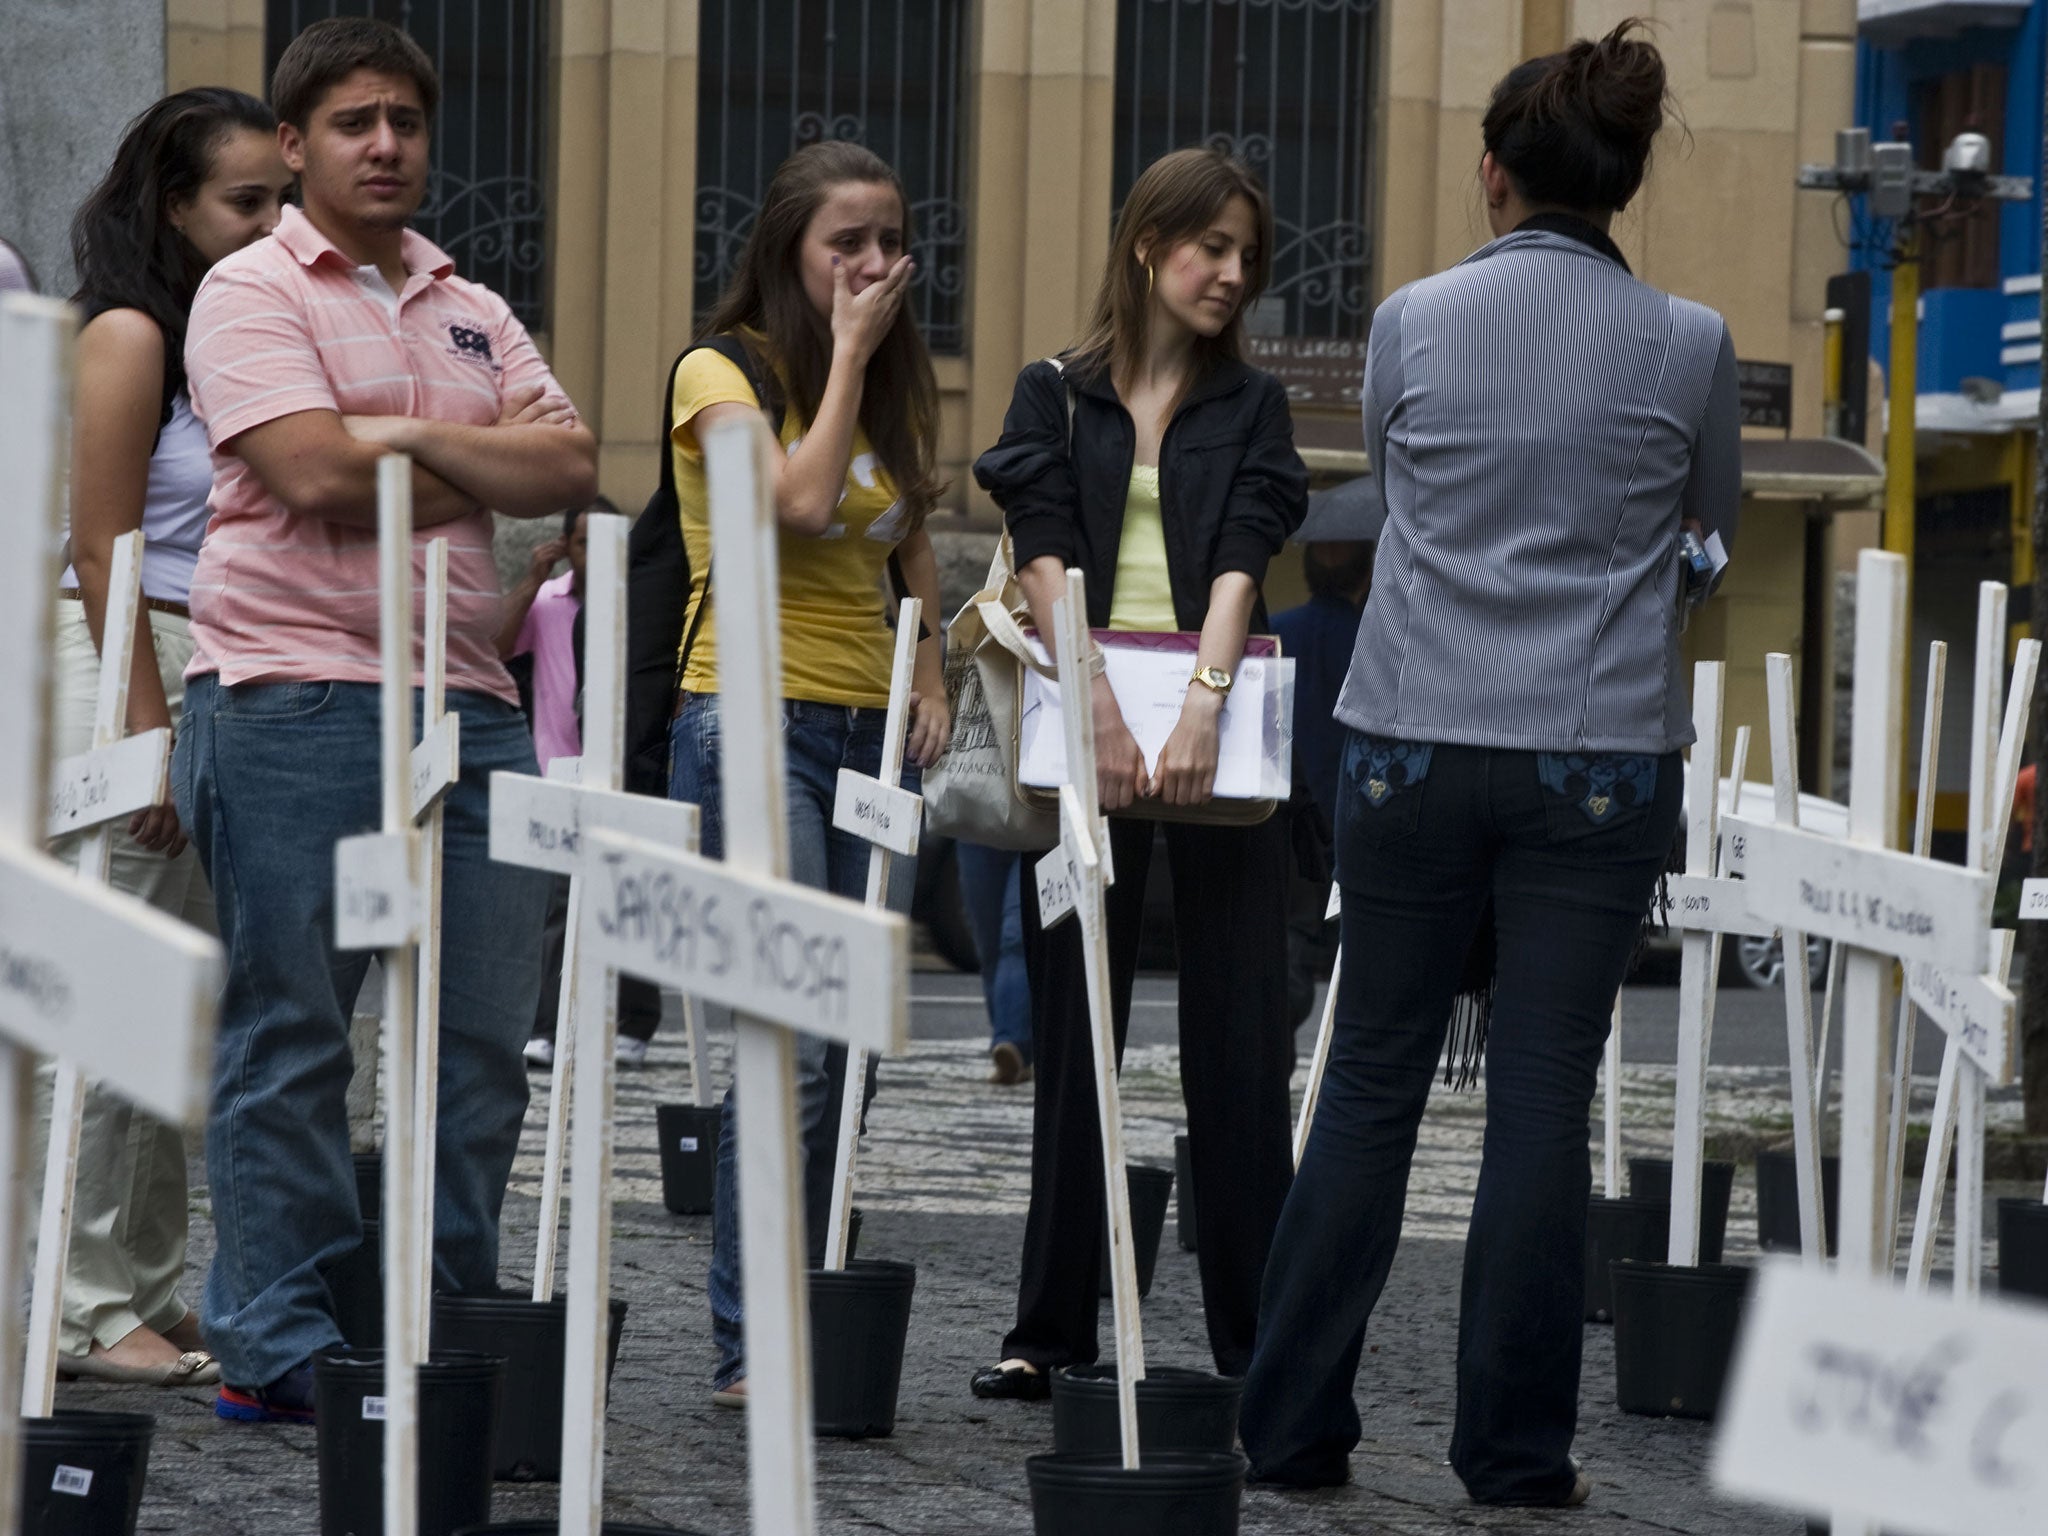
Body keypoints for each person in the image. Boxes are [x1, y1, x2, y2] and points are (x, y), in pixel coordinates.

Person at [1239, 22, 1739, 1506]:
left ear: (1492, 175)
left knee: (1372, 1076)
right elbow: (1703, 521)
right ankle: (1516, 1452)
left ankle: (1292, 1429)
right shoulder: (1694, 341)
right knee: (1539, 1091)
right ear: (1624, 183)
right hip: (1595, 751)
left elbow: (1398, 492)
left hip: (1408, 736)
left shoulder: (1411, 320)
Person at [173, 16, 596, 1422]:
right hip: (293, 694)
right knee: (297, 1027)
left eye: (405, 121)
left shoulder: (469, 300)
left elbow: (572, 460)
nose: (386, 145)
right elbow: (306, 470)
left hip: (470, 705)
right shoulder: (247, 290)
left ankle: (437, 1312)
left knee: (481, 1037)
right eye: (353, 122)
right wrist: (453, 456)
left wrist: (405, 438)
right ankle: (274, 1339)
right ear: (292, 146)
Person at [969, 146, 1308, 1401]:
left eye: (1244, 256)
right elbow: (1044, 540)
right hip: (1080, 733)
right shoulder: (1052, 394)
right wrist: (1098, 701)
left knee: (1237, 1042)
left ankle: (1251, 1341)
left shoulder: (1253, 404)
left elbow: (1243, 550)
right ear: (1145, 246)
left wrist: (1204, 706)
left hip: (1217, 739)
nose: (1230, 274)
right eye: (1209, 247)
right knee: (1073, 1038)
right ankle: (1046, 1333)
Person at [665, 140, 952, 1405]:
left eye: (889, 240)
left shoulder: (888, 383)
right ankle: (752, 1345)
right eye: (848, 242)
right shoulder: (717, 373)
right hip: (751, 713)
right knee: (787, 1036)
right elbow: (794, 501)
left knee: (853, 1037)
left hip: (867, 732)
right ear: (789, 246)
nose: (875, 265)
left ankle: (799, 1298)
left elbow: (906, 534)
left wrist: (931, 668)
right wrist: (842, 355)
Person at [39, 90, 291, 1390]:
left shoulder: (224, 329)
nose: (270, 223)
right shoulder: (133, 333)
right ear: (172, 204)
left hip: (215, 655)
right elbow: (101, 548)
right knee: (112, 987)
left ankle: (130, 1283)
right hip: (140, 651)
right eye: (244, 201)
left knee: (170, 1000)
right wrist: (147, 727)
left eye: (277, 201)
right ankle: (79, 1303)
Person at [1270, 479, 1379, 1023]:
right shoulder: (1376, 641)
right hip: (1355, 822)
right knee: (1357, 975)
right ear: (1366, 572)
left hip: (1286, 827)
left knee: (1281, 960)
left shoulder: (1274, 635)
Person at [954, 841, 1032, 1084]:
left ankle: (1011, 1040)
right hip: (978, 824)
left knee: (1016, 937)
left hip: (1042, 821)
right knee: (989, 944)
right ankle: (1020, 1045)